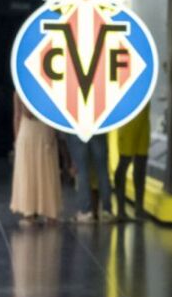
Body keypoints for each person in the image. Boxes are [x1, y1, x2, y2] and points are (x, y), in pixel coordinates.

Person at [10, 93, 62, 224]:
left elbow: (19, 115)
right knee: (47, 173)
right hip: (43, 130)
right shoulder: (48, 89)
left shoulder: (20, 91)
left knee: (28, 173)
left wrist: (16, 140)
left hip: (28, 131)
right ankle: (50, 213)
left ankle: (29, 214)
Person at [65, 132, 114, 222]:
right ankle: (107, 210)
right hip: (98, 130)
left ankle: (85, 211)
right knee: (103, 170)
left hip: (77, 131)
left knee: (82, 171)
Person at [114, 105, 150, 221]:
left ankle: (139, 209)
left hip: (143, 121)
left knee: (141, 165)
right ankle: (120, 210)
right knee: (124, 162)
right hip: (128, 121)